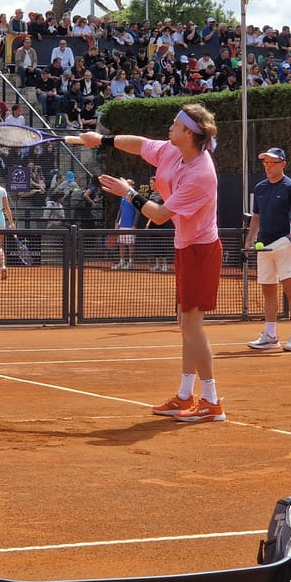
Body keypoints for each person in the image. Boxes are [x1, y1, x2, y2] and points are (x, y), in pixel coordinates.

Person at [96, 102, 225, 423]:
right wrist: (102, 141)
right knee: (185, 325)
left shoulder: (201, 174)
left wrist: (128, 192)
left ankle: (211, 401)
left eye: (175, 125)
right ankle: (185, 395)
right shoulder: (172, 150)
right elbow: (139, 145)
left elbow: (159, 214)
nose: (170, 128)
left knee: (192, 326)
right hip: (186, 245)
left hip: (201, 250)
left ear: (189, 133)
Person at [245, 147, 291, 353]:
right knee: (268, 290)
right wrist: (250, 238)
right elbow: (256, 217)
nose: (268, 166)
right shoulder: (260, 188)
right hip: (263, 247)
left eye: (272, 163)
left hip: (284, 245)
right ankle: (270, 336)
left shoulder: (290, 187)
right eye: (265, 162)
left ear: (283, 164)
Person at [112, 178, 138, 270]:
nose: (125, 186)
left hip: (130, 225)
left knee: (130, 245)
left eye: (128, 184)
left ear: (132, 186)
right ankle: (122, 262)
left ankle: (130, 263)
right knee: (121, 244)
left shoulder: (135, 197)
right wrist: (116, 221)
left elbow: (138, 212)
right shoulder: (123, 196)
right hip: (122, 224)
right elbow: (121, 210)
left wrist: (134, 224)